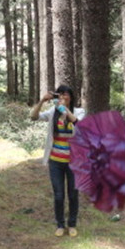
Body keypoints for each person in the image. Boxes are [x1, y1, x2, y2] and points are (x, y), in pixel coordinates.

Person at [30, 85, 86, 237]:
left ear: (71, 97)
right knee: (59, 195)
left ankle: (72, 224)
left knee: (73, 195)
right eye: (59, 94)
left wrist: (64, 109)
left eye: (65, 94)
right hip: (55, 161)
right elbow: (33, 117)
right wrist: (42, 101)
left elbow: (79, 125)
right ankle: (60, 224)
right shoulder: (52, 112)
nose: (62, 97)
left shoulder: (79, 112)